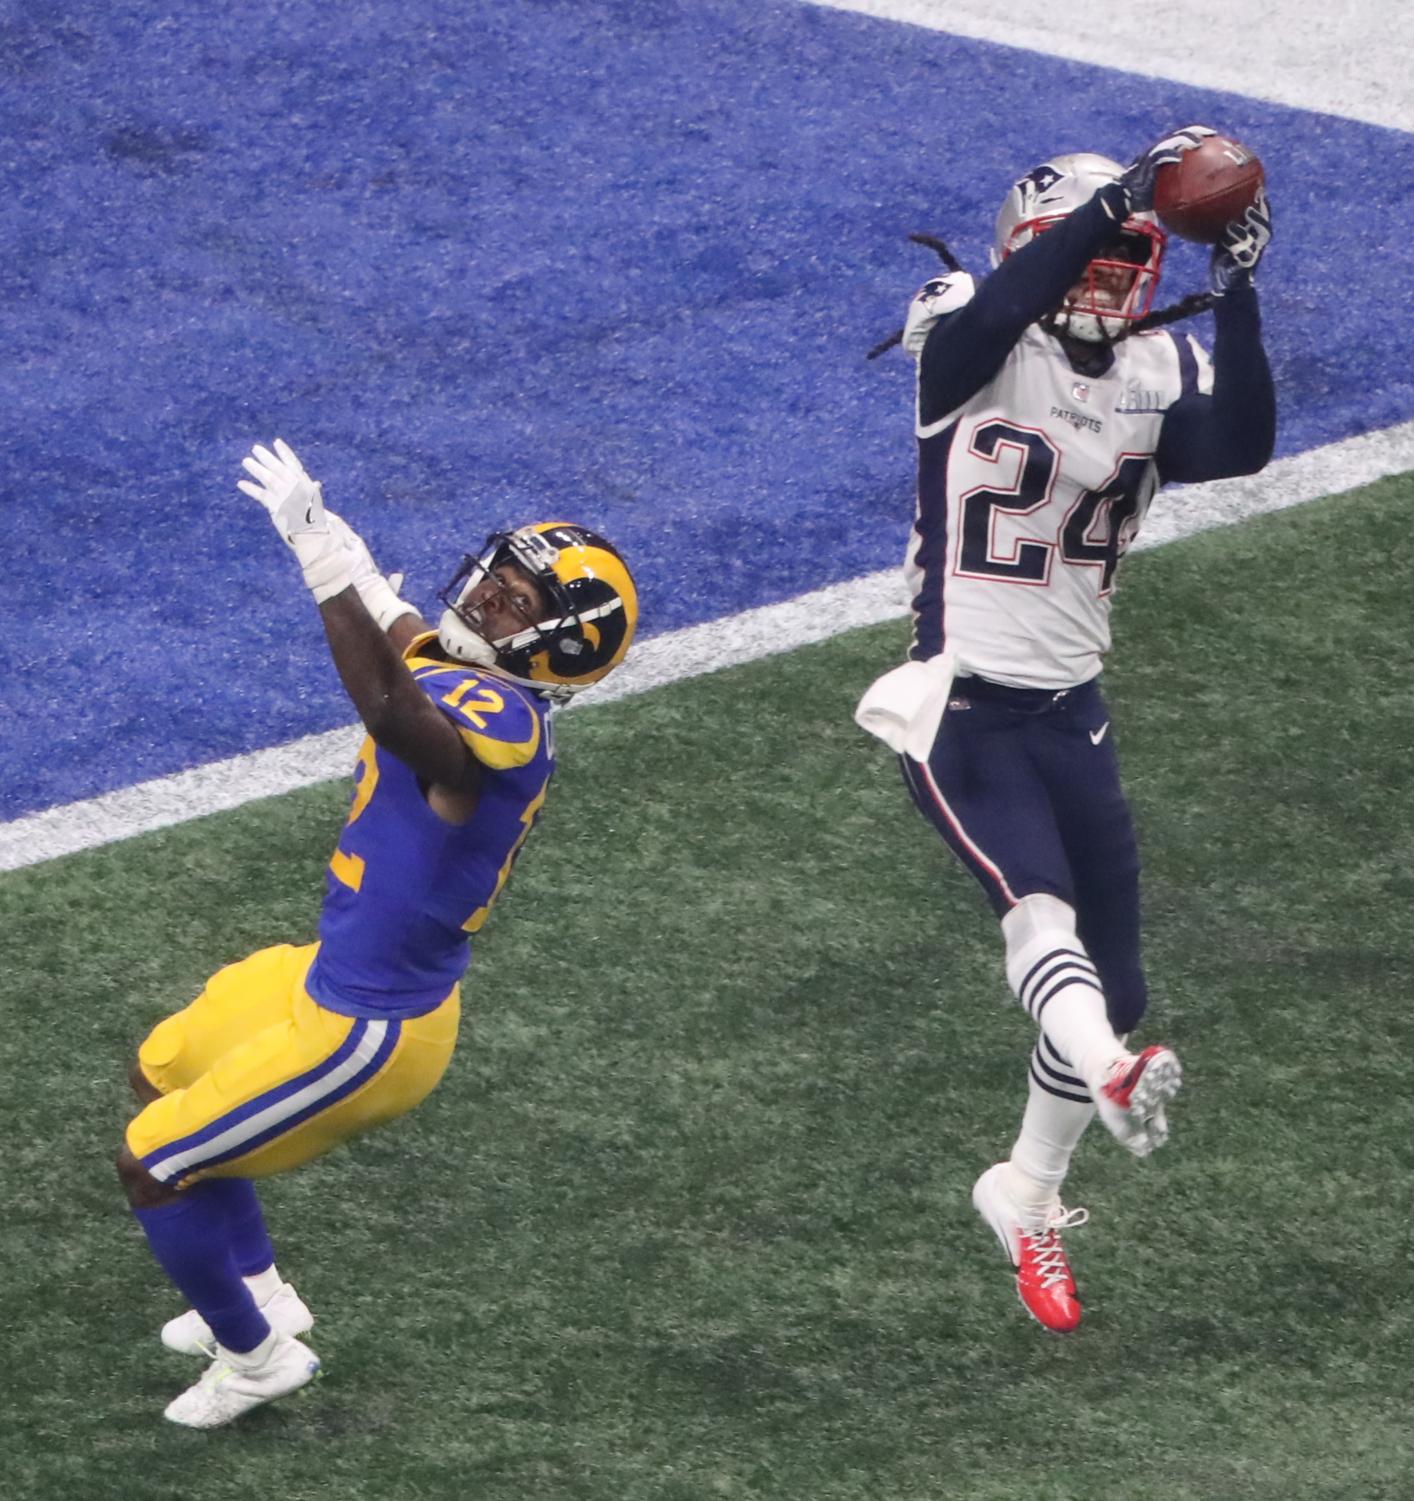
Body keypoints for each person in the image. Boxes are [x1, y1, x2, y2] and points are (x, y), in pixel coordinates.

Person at [116, 439, 638, 1426]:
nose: (487, 597)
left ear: (558, 647)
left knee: (154, 1160)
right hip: (332, 971)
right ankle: (262, 1288)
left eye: (519, 602)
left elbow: (399, 711)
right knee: (165, 1067)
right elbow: (405, 637)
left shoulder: (505, 727)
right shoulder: (472, 669)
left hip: (371, 1027)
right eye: (500, 579)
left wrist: (320, 564)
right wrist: (335, 542)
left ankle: (255, 1356)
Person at [858, 127, 1274, 1332]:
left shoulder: (1157, 367)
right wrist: (1116, 204)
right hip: (955, 700)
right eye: (1087, 257)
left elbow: (1239, 446)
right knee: (1037, 914)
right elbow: (998, 320)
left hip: (1068, 709)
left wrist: (1237, 290)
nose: (1107, 279)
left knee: (1118, 980)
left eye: (1131, 256)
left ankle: (1026, 1186)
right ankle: (1105, 1074)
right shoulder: (962, 323)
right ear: (1031, 253)